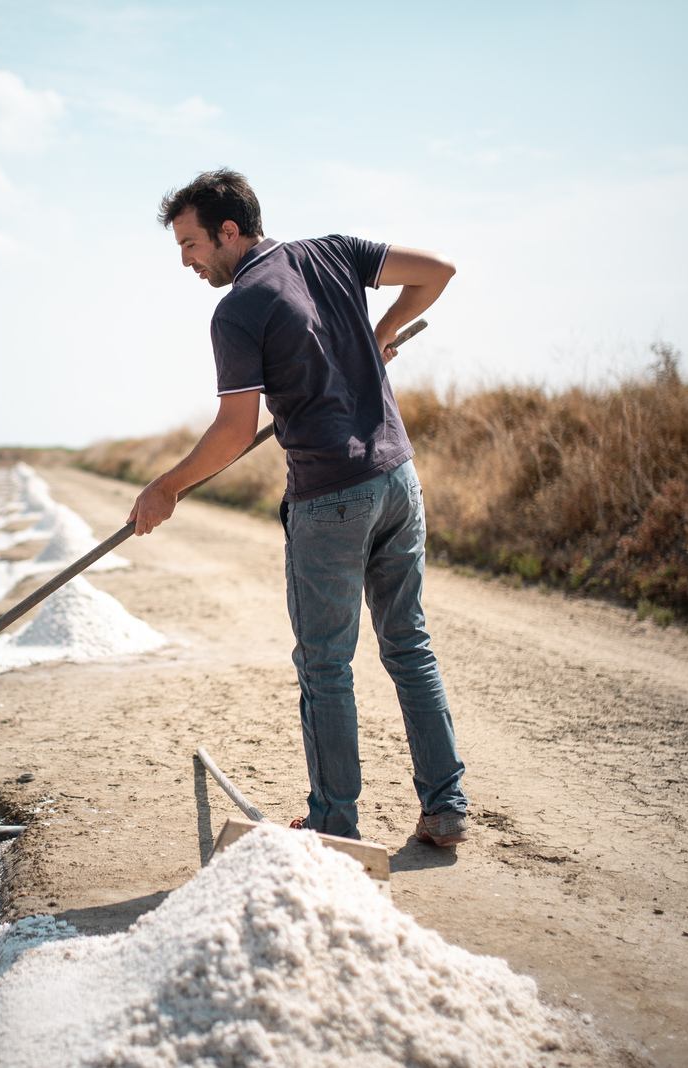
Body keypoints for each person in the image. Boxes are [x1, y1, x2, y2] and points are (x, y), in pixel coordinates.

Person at [126, 168, 468, 846]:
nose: (187, 262)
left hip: (331, 498)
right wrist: (380, 329)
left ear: (230, 231)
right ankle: (446, 809)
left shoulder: (240, 308)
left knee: (324, 666)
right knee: (409, 647)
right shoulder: (332, 251)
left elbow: (230, 433)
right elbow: (439, 271)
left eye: (191, 245)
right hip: (398, 479)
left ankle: (334, 825)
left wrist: (166, 487)